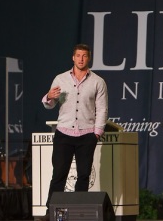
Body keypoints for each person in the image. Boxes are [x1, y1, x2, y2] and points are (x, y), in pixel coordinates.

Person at [38, 44, 108, 221]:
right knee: (59, 174)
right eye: (78, 55)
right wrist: (49, 97)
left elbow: (102, 109)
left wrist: (96, 133)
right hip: (64, 134)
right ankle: (51, 212)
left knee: (83, 175)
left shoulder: (98, 82)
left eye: (84, 56)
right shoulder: (60, 79)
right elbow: (50, 104)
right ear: (73, 58)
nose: (81, 59)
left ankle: (79, 212)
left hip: (87, 135)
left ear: (89, 58)